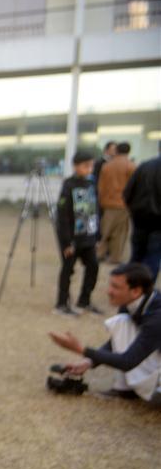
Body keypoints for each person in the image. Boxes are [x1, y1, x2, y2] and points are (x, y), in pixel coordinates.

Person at [49, 263, 160, 403]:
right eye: (110, 285)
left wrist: (81, 349)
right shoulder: (134, 303)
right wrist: (89, 362)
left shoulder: (157, 317)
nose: (108, 291)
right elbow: (116, 341)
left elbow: (128, 361)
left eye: (116, 287)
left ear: (136, 291)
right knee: (122, 321)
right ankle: (125, 389)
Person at [54, 151, 101, 316]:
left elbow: (95, 210)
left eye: (91, 166)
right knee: (68, 270)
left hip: (88, 237)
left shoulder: (91, 183)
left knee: (93, 266)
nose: (89, 169)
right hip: (72, 239)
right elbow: (63, 216)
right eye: (85, 166)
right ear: (75, 166)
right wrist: (67, 242)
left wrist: (96, 235)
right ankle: (62, 303)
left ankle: (84, 301)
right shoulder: (69, 185)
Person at [124, 151, 161, 283]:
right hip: (157, 223)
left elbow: (127, 192)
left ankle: (131, 285)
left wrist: (133, 209)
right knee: (154, 256)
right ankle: (145, 288)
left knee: (137, 255)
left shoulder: (144, 166)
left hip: (139, 218)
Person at [96, 142, 136, 264]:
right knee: (119, 232)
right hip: (123, 204)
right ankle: (115, 257)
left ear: (117, 151)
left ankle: (99, 253)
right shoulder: (131, 166)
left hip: (107, 203)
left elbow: (100, 186)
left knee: (105, 230)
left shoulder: (107, 166)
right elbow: (134, 187)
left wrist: (101, 201)